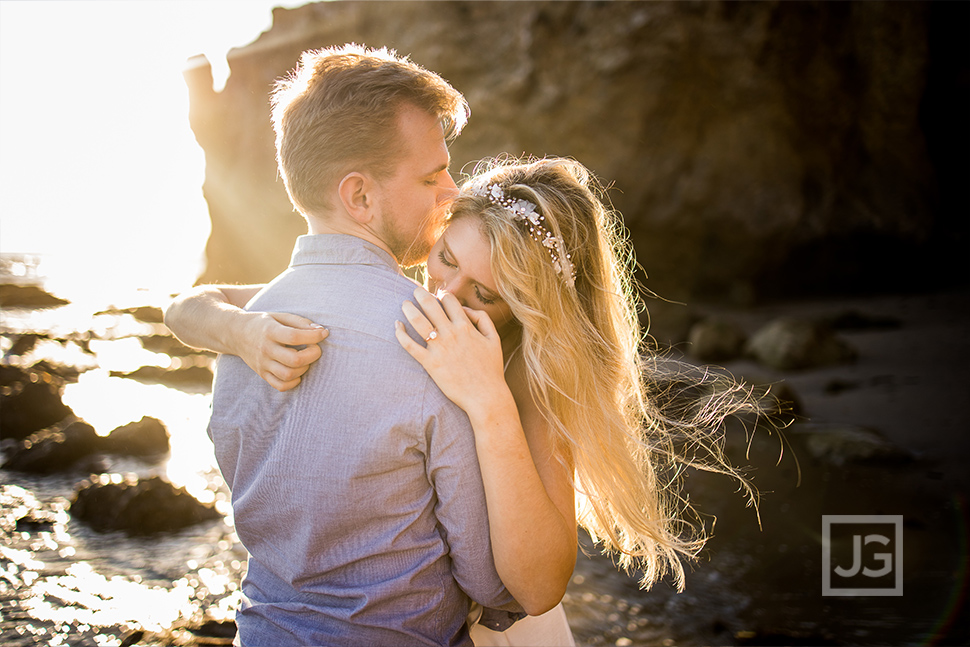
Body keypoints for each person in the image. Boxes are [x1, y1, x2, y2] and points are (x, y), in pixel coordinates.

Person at [169, 156, 770, 645]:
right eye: (445, 258)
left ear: (528, 311)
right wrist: (240, 332)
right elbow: (187, 306)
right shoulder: (396, 301)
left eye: (485, 293)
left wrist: (489, 405)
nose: (447, 297)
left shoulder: (534, 377)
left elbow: (534, 591)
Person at [186, 43, 526, 646]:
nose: (452, 190)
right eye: (430, 176)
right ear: (360, 196)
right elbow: (491, 581)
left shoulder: (244, 333)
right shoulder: (435, 341)